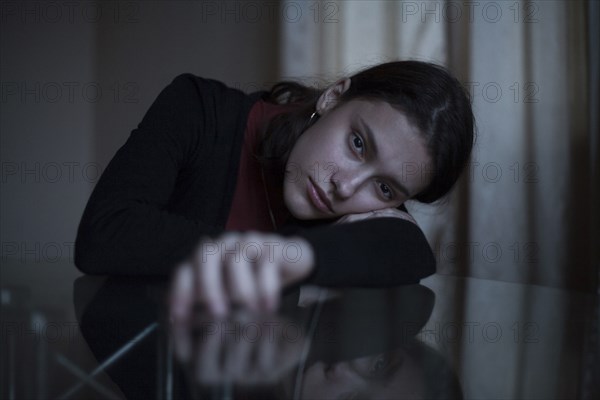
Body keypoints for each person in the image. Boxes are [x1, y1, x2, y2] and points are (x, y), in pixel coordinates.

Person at [74, 60, 474, 317]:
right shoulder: (199, 108)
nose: (345, 186)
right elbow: (106, 233)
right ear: (334, 98)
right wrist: (275, 259)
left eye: (385, 189)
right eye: (357, 144)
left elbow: (409, 250)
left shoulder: (357, 207)